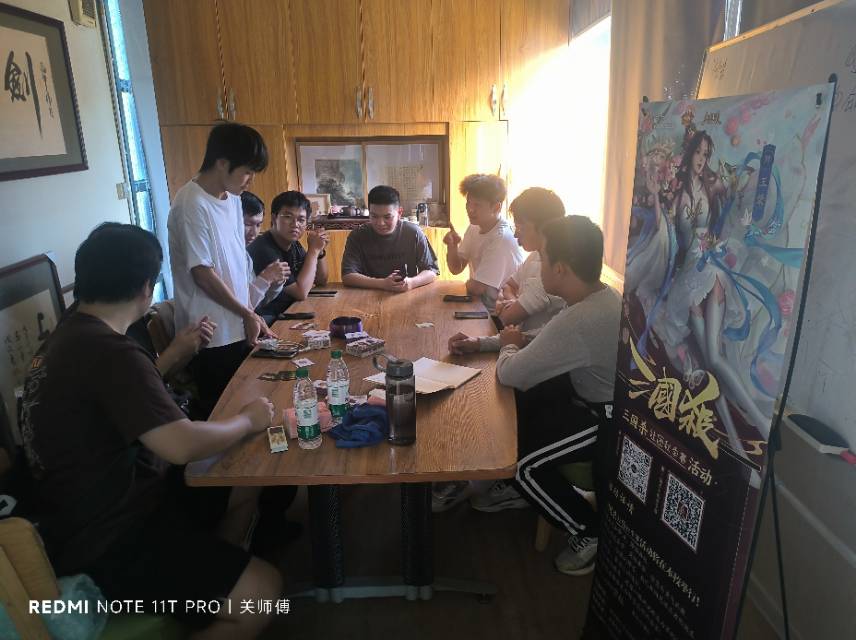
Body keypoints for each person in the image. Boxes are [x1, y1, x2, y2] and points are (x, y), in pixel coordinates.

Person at [20, 224, 282, 638]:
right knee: (264, 593)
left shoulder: (70, 334)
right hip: (108, 536)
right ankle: (219, 592)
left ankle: (206, 587)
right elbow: (180, 446)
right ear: (146, 287)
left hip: (99, 507)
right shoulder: (109, 351)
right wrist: (248, 419)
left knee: (242, 477)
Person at [456, 216, 620, 576]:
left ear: (560, 268)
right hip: (582, 401)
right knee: (514, 421)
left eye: (543, 259)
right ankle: (520, 493)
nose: (538, 267)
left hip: (605, 422)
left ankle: (588, 531)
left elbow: (510, 372)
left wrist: (505, 347)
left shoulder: (583, 318)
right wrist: (482, 343)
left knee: (519, 462)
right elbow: (545, 340)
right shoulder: (595, 297)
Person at [167, 123, 287, 416]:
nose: (250, 180)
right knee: (223, 413)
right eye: (247, 171)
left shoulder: (232, 199)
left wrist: (250, 312)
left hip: (238, 324)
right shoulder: (191, 203)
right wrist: (246, 313)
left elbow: (237, 262)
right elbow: (202, 273)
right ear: (222, 163)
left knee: (252, 403)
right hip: (211, 334)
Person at [447, 187, 567, 355]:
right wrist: (478, 343)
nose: (516, 235)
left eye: (520, 227)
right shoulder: (535, 256)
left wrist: (512, 306)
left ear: (543, 229)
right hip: (519, 343)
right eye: (469, 204)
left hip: (533, 354)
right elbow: (508, 286)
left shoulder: (552, 270)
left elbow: (507, 318)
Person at [248, 190, 330, 323]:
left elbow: (321, 280)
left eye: (301, 220)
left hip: (290, 312)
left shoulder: (293, 244)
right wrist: (313, 251)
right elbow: (301, 292)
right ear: (274, 218)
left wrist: (320, 252)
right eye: (288, 217)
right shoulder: (264, 248)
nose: (295, 224)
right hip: (267, 320)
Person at [444, 174, 524, 309]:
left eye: (477, 205)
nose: (470, 209)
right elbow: (456, 268)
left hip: (503, 311)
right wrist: (452, 247)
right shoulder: (474, 227)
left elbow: (478, 288)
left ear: (496, 207)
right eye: (468, 203)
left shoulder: (501, 238)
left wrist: (471, 283)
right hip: (483, 304)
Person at [340, 185, 439, 292]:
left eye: (387, 217)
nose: (380, 223)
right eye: (374, 216)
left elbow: (431, 271)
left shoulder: (413, 233)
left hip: (405, 294)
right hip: (368, 294)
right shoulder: (357, 236)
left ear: (399, 213)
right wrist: (382, 284)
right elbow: (347, 275)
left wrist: (411, 282)